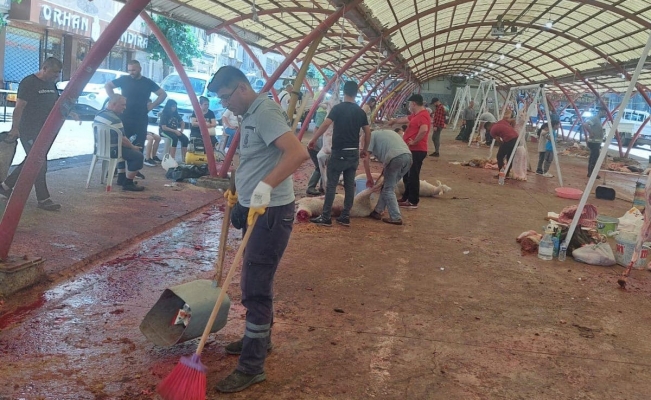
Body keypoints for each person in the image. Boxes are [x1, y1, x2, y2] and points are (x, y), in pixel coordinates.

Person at [207, 66, 308, 393]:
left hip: (271, 212)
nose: (225, 106)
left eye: (225, 97)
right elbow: (253, 159)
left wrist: (264, 187)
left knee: (254, 286)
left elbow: (297, 153)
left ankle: (252, 367)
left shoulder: (264, 111)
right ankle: (260, 340)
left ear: (240, 88)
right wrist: (241, 193)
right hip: (257, 208)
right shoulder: (249, 113)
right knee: (257, 279)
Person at [0, 57, 63, 210]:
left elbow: (55, 102)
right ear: (45, 68)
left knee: (35, 161)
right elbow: (19, 107)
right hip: (28, 128)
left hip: (45, 129)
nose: (56, 77)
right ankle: (43, 199)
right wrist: (15, 128)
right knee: (38, 161)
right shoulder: (28, 82)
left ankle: (5, 186)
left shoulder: (51, 84)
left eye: (58, 74)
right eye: (54, 73)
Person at [308, 81, 371, 227]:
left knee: (331, 185)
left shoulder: (338, 108)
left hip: (339, 152)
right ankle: (345, 216)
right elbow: (368, 132)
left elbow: (325, 124)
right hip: (353, 153)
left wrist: (314, 139)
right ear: (356, 93)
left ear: (344, 92)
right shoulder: (360, 111)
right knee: (349, 186)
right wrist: (364, 149)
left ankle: (326, 217)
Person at [105, 60, 166, 151]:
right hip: (124, 116)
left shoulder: (147, 82)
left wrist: (152, 106)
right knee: (122, 145)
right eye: (129, 70)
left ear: (140, 69)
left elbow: (162, 94)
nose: (131, 73)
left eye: (133, 70)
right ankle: (120, 165)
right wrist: (115, 100)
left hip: (141, 118)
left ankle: (136, 164)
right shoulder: (124, 79)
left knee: (139, 145)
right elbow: (108, 86)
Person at [388, 94, 431, 209]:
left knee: (413, 176)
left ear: (414, 103)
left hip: (417, 150)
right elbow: (405, 119)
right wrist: (394, 121)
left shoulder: (423, 116)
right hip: (411, 149)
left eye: (410, 104)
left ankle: (413, 201)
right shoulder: (416, 115)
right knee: (407, 175)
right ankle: (406, 197)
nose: (409, 106)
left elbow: (424, 130)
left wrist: (414, 142)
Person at [94, 95, 145, 191]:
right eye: (123, 105)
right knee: (137, 156)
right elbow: (123, 140)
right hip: (113, 150)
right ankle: (128, 183)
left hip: (100, 148)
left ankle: (121, 177)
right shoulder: (115, 120)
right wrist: (133, 147)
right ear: (113, 104)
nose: (125, 107)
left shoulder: (99, 114)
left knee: (124, 149)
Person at [363, 130, 412, 225]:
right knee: (387, 186)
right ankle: (377, 211)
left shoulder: (371, 136)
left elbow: (365, 159)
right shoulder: (385, 133)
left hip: (395, 158)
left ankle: (396, 217)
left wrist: (369, 177)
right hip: (408, 158)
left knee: (388, 189)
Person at [306, 103, 328, 197]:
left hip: (317, 145)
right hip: (315, 147)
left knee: (323, 167)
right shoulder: (325, 117)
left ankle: (322, 186)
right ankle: (311, 188)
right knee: (320, 167)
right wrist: (314, 139)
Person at [490, 110, 519, 176]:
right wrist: (512, 128)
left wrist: (503, 145)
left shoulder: (492, 131)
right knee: (510, 157)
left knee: (499, 156)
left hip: (509, 139)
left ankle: (502, 172)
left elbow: (499, 141)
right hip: (516, 137)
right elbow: (513, 120)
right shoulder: (502, 121)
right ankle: (507, 173)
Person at [583, 107, 606, 179]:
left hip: (597, 142)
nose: (605, 114)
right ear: (600, 111)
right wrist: (591, 133)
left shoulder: (598, 119)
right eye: (604, 112)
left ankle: (591, 173)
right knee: (594, 158)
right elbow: (585, 124)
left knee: (593, 157)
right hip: (594, 142)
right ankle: (591, 173)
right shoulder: (595, 118)